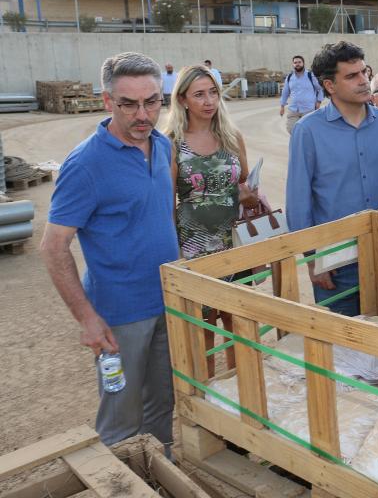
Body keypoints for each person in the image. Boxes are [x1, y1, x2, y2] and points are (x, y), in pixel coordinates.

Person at [39, 52, 179, 450]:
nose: (143, 114)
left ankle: (160, 476)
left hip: (165, 303)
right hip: (118, 317)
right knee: (121, 419)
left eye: (151, 101)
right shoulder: (86, 164)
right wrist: (87, 318)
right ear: (106, 101)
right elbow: (53, 248)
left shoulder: (161, 147)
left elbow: (161, 213)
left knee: (162, 406)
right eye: (128, 104)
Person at [286, 41, 378, 315]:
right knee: (342, 349)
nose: (364, 81)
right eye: (352, 76)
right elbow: (298, 202)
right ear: (329, 86)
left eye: (364, 72)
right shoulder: (308, 131)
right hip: (335, 263)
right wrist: (312, 259)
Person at [160, 64, 258, 377]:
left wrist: (249, 195)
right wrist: (172, 251)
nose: (208, 101)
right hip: (193, 244)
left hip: (233, 242)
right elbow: (166, 203)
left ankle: (239, 391)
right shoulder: (171, 143)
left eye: (213, 93)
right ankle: (205, 394)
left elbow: (243, 183)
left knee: (237, 321)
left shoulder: (232, 137)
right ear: (183, 100)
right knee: (201, 325)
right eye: (199, 94)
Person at [280, 55, 324, 134]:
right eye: (295, 62)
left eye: (299, 62)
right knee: (291, 129)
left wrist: (319, 101)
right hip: (294, 109)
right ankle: (298, 144)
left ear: (303, 63)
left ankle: (306, 145)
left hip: (308, 109)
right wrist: (282, 106)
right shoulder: (289, 77)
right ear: (293, 64)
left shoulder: (310, 76)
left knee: (308, 131)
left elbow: (320, 89)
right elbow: (285, 92)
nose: (297, 64)